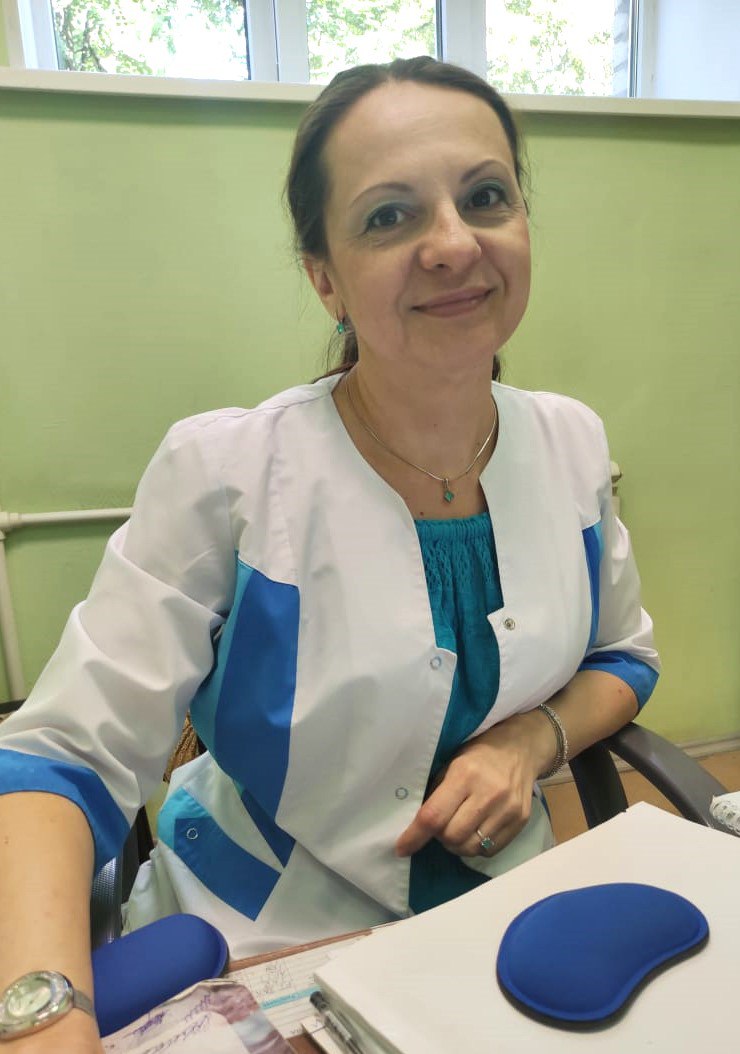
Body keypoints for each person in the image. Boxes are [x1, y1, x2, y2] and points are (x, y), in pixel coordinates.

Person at [0, 56, 658, 1052]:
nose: (453, 243)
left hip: (503, 916)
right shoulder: (229, 472)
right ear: (324, 278)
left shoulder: (570, 442)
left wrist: (530, 741)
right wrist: (42, 1017)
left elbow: (623, 657)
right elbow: (56, 760)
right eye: (389, 216)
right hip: (257, 934)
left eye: (485, 197)